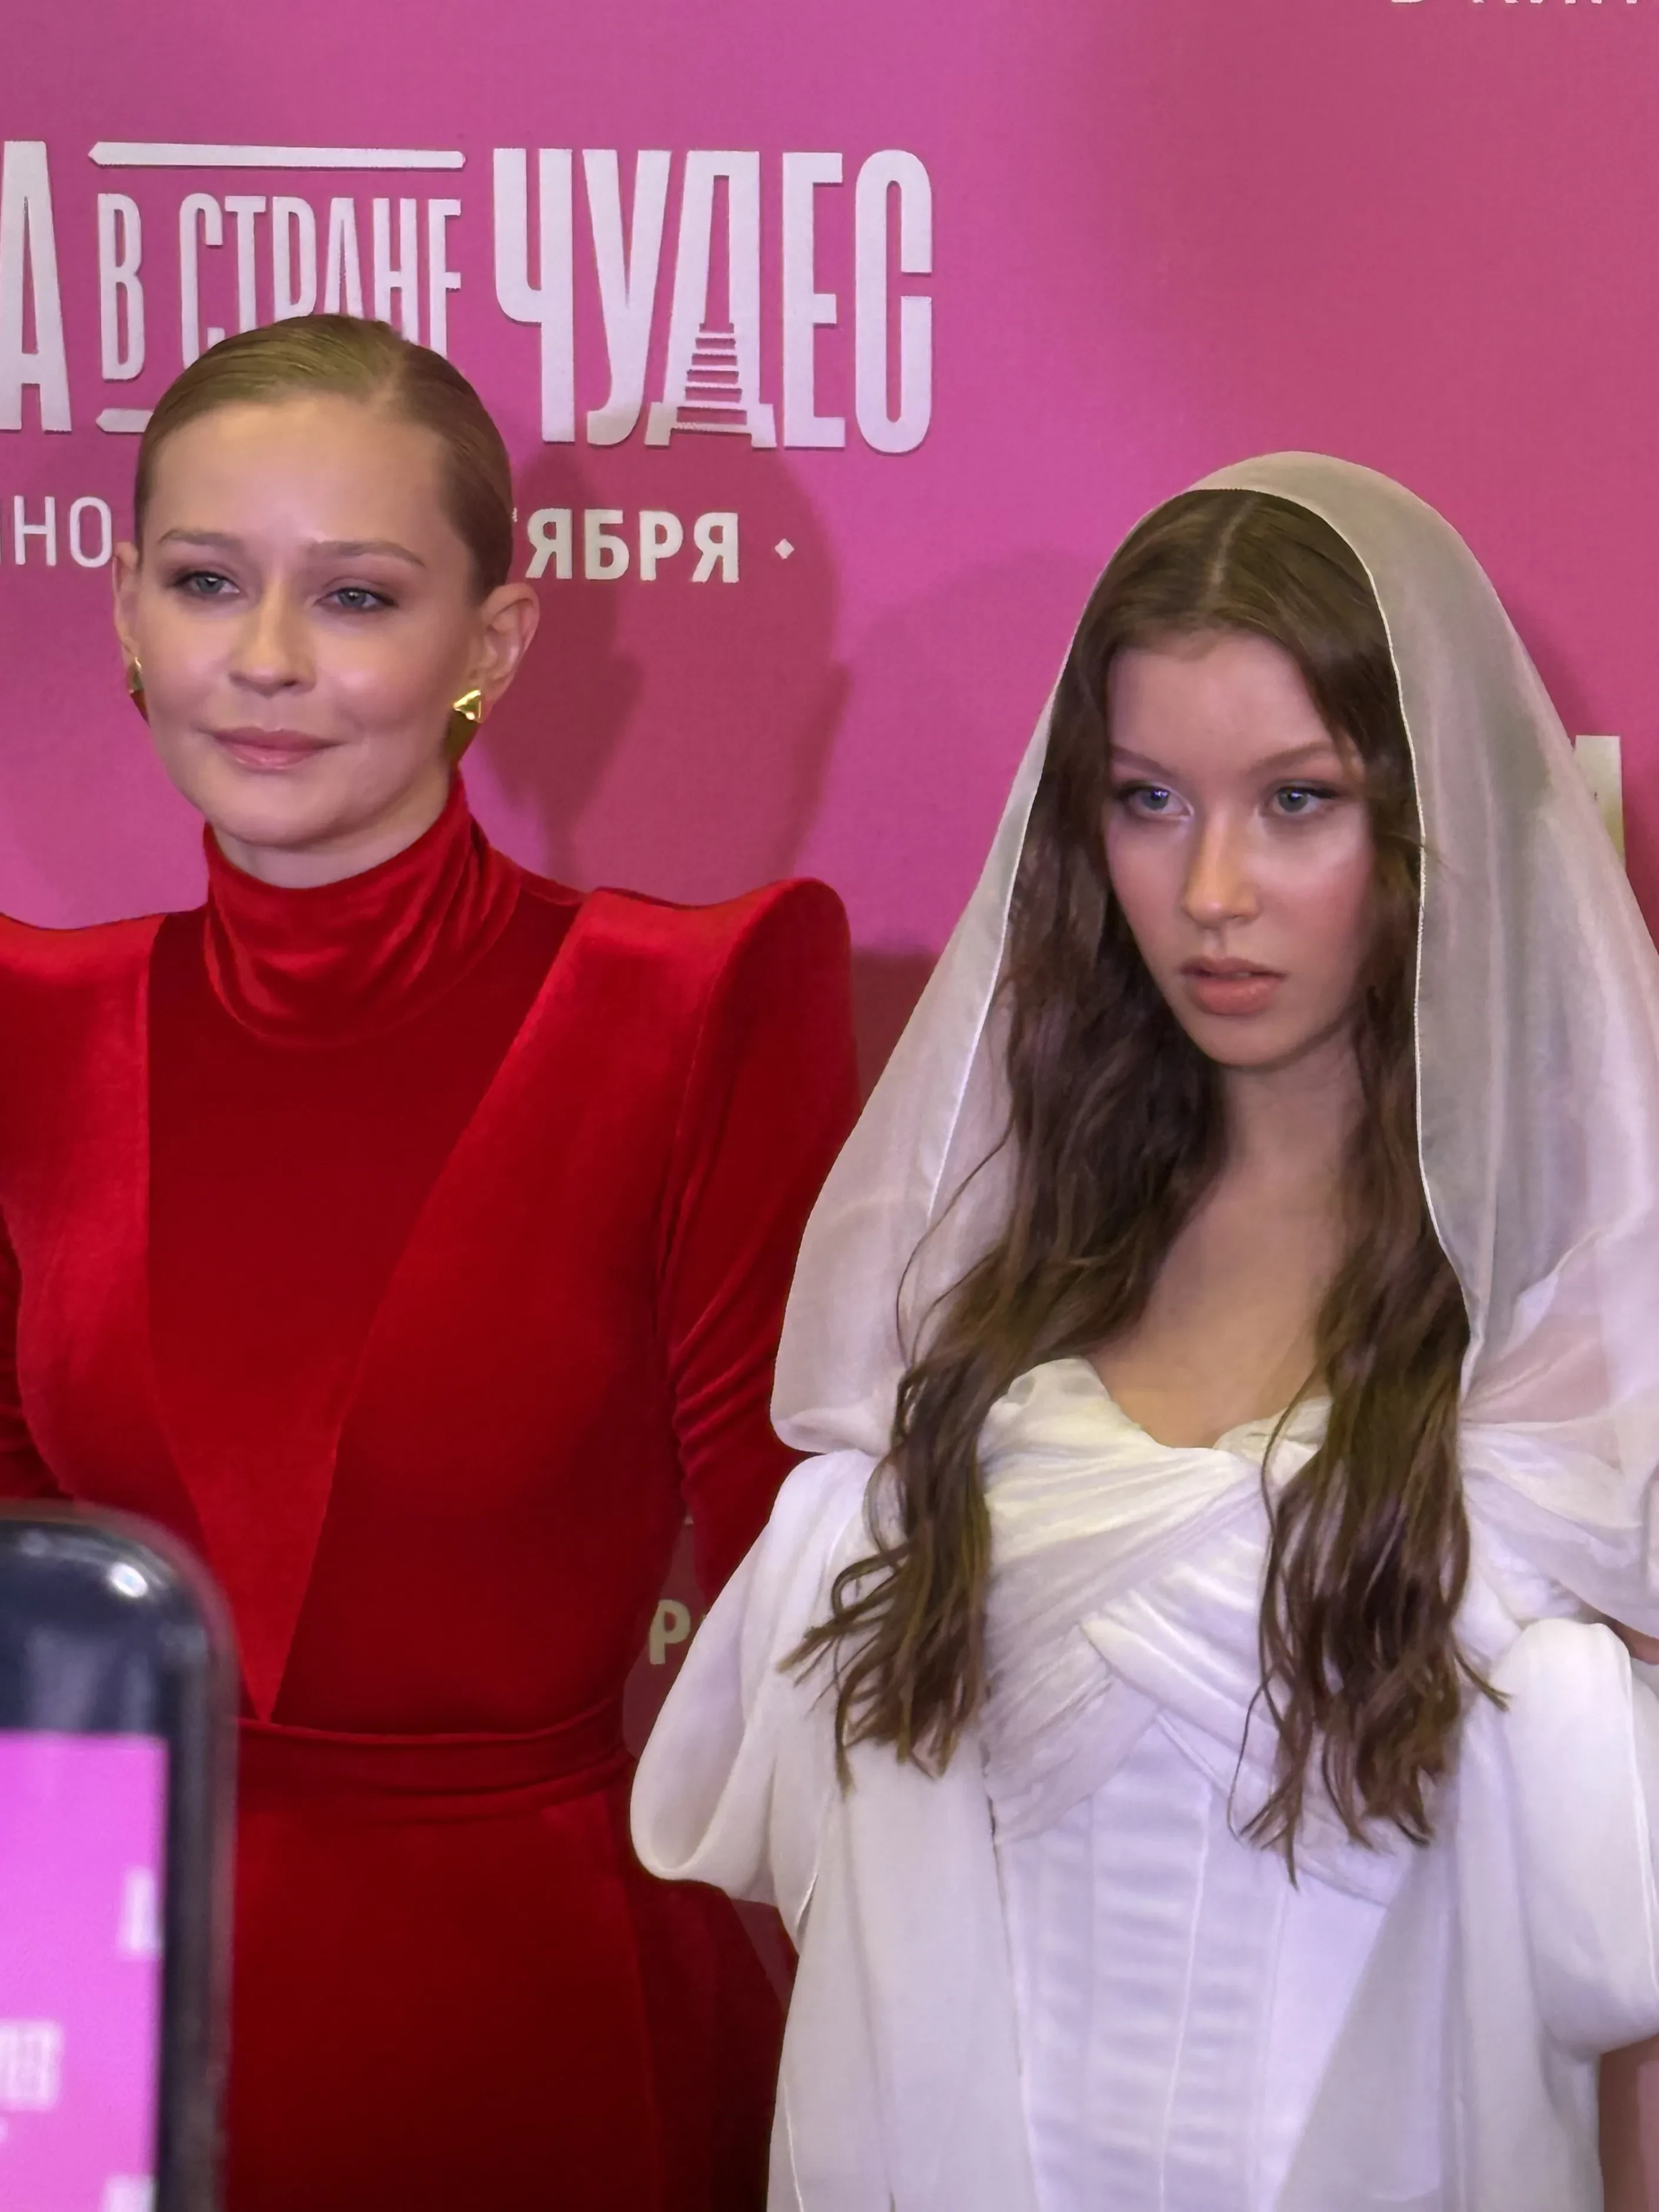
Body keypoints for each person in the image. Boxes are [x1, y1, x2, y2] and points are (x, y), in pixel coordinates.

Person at [632, 454, 1659, 2211]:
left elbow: (1615, 1960)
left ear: (1436, 822)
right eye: (1150, 800)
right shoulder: (988, 1271)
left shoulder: (1582, 1304)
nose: (1213, 890)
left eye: (1299, 801)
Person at [0, 313, 860, 2211]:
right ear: (125, 612)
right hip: (96, 2005)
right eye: (205, 580)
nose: (268, 657)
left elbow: (804, 1606)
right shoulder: (29, 1026)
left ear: (494, 641)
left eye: (358, 595)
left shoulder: (682, 1009)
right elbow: (28, 1614)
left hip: (544, 2027)